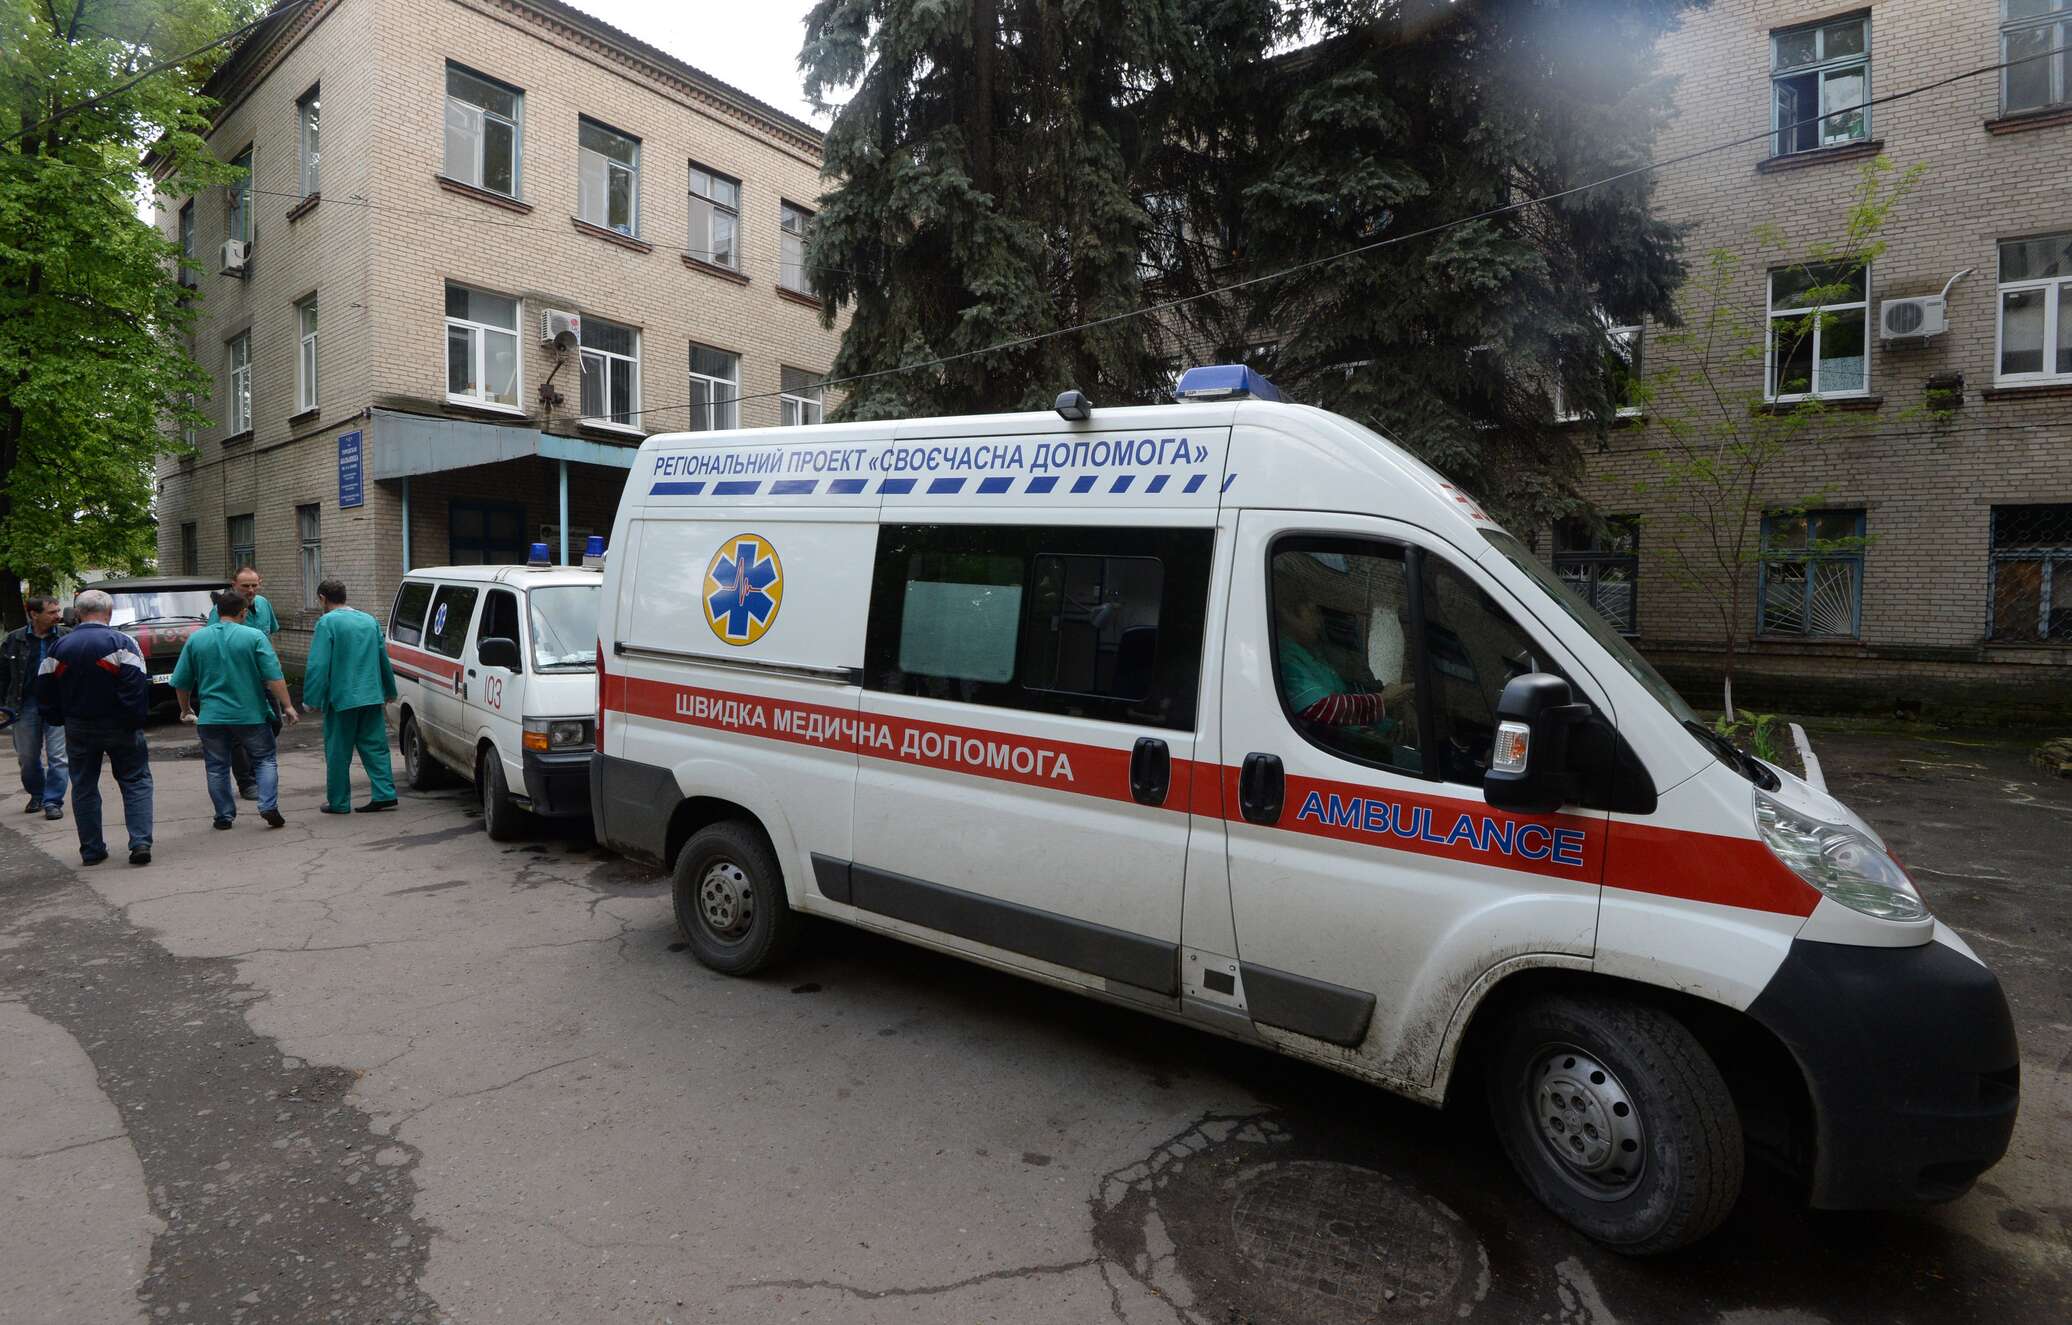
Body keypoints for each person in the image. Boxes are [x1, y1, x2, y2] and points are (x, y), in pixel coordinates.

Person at [35, 589, 153, 866]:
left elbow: (45, 689)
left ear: (77, 613)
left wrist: (58, 718)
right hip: (120, 725)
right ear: (109, 613)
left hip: (78, 726)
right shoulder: (123, 642)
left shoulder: (59, 647)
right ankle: (140, 843)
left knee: (84, 785)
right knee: (135, 781)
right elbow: (136, 686)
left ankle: (91, 850)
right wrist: (133, 721)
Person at [172, 590, 300, 830]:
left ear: (217, 611)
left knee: (216, 767)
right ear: (243, 613)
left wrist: (186, 709)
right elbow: (273, 675)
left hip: (212, 717)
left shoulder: (197, 639)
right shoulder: (254, 637)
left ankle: (224, 816)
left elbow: (182, 682)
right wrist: (288, 706)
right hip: (250, 715)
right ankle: (267, 805)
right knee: (264, 760)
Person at [301, 579, 398, 815]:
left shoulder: (327, 623)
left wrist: (311, 699)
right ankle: (385, 793)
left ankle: (339, 802)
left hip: (342, 698)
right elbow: (382, 658)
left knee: (338, 752)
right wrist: (389, 689)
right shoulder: (369, 620)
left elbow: (318, 664)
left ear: (322, 598)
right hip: (371, 695)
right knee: (375, 747)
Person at [209, 566, 280, 800]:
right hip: (236, 681)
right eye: (245, 586)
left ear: (260, 583)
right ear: (234, 585)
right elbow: (214, 643)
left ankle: (257, 766)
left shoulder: (264, 604)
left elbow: (270, 637)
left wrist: (273, 669)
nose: (250, 590)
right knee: (238, 734)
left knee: (274, 722)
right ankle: (247, 781)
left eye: (254, 585)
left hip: (262, 679)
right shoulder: (221, 610)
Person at [1275, 595, 1394, 727]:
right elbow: (1323, 708)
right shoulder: (1284, 657)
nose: (1319, 622)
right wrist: (1384, 700)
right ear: (1287, 616)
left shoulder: (1315, 650)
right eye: (1311, 613)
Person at [1, 594, 70, 820]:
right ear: (34, 614)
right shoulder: (14, 639)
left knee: (58, 757)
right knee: (27, 757)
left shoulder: (66, 637)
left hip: (58, 704)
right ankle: (37, 794)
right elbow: (2, 676)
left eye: (58, 611)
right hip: (25, 704)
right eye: (52, 612)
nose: (58, 616)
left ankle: (53, 801)